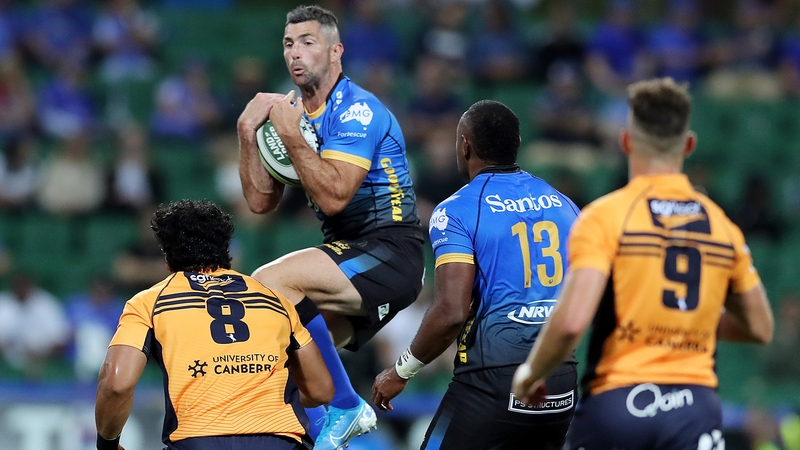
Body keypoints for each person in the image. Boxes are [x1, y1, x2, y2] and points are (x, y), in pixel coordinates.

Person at [512, 77, 775, 450]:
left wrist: (530, 374)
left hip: (620, 405)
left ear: (625, 141)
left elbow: (572, 321)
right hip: (695, 408)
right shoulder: (722, 226)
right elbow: (760, 327)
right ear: (688, 145)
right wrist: (685, 322)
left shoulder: (605, 217)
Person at [236, 5, 424, 449]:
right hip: (348, 255)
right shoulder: (290, 113)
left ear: (336, 51)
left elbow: (335, 195)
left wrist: (292, 136)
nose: (295, 54)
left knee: (267, 284)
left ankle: (346, 403)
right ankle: (323, 437)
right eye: (288, 44)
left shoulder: (358, 110)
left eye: (307, 42)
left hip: (390, 251)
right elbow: (261, 202)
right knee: (284, 359)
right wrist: (247, 132)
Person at [372, 100, 580, 449]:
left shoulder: (457, 211)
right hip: (559, 381)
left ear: (465, 144)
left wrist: (400, 371)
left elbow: (451, 312)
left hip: (492, 382)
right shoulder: (565, 205)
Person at [94, 200, 334, 450]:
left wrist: (107, 444)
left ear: (167, 258)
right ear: (227, 249)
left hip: (199, 441)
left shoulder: (149, 303)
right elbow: (322, 390)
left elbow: (116, 384)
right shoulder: (275, 300)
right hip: (280, 441)